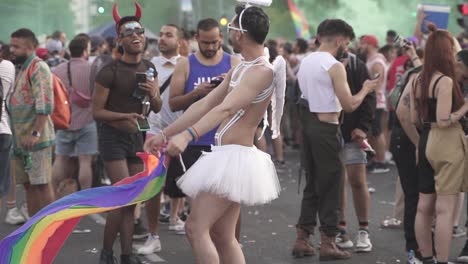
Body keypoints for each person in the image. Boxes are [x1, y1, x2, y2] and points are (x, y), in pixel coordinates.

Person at [145, 4, 280, 263]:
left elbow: (226, 108)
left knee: (195, 228)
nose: (228, 30)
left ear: (240, 33)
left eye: (230, 27)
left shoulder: (261, 71)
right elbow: (204, 104)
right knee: (222, 235)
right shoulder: (242, 67)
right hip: (227, 157)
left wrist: (187, 136)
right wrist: (165, 134)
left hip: (236, 159)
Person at [291, 19, 377, 261]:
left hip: (308, 125)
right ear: (339, 40)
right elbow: (349, 104)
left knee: (313, 184)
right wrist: (366, 88)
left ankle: (302, 238)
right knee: (331, 186)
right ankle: (328, 241)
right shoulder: (334, 66)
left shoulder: (307, 60)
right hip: (326, 129)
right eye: (346, 43)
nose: (346, 48)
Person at [93, 3, 162, 263]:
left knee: (133, 202)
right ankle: (107, 253)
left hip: (136, 136)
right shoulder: (108, 71)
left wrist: (154, 92)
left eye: (139, 31)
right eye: (129, 32)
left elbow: (156, 107)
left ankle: (125, 254)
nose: (136, 36)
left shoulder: (149, 67)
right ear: (120, 39)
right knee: (122, 198)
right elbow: (97, 112)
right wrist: (124, 116)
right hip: (112, 137)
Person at [167, 16, 240, 234]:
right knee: (198, 208)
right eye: (205, 42)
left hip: (223, 143)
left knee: (229, 209)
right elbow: (173, 103)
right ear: (196, 38)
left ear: (221, 39)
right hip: (194, 143)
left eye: (214, 42)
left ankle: (228, 247)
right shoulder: (185, 64)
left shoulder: (233, 63)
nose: (210, 47)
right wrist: (198, 93)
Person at [409, 25, 468, 264]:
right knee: (445, 207)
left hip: (424, 140)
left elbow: (414, 119)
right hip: (446, 141)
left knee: (424, 205)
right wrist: (464, 107)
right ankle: (442, 260)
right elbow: (444, 120)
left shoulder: (416, 79)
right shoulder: (444, 81)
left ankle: (427, 258)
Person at [136, 23, 183, 255]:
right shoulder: (149, 65)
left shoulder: (187, 65)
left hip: (183, 134)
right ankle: (153, 235)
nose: (162, 38)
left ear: (180, 41)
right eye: (161, 34)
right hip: (155, 133)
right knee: (153, 185)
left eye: (168, 35)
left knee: (189, 183)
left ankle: (180, 219)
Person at [8, 28, 56, 217]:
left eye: (16, 47)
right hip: (21, 142)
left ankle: (49, 229)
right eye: (11, 45)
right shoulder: (21, 68)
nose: (12, 50)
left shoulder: (38, 67)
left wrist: (35, 133)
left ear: (31, 47)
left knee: (42, 185)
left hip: (36, 140)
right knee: (29, 186)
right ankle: (34, 228)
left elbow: (44, 104)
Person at [337, 50, 376, 252]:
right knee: (337, 183)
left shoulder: (355, 64)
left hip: (353, 132)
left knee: (357, 181)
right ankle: (340, 230)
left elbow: (369, 96)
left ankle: (363, 230)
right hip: (329, 133)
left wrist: (363, 126)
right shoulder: (318, 62)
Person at [51, 35, 97, 196]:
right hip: (88, 120)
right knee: (85, 161)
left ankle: (56, 194)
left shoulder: (58, 70)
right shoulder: (92, 68)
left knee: (60, 158)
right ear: (85, 50)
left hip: (65, 120)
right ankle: (86, 197)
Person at [358, 35, 390, 173]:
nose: (360, 46)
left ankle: (381, 162)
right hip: (372, 101)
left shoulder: (377, 61)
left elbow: (377, 83)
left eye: (362, 43)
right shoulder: (371, 59)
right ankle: (375, 160)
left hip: (376, 102)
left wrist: (368, 97)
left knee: (377, 133)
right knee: (371, 132)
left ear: (369, 44)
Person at [0, 54, 23, 225]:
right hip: (4, 130)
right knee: (4, 178)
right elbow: (11, 95)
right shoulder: (8, 66)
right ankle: (11, 209)